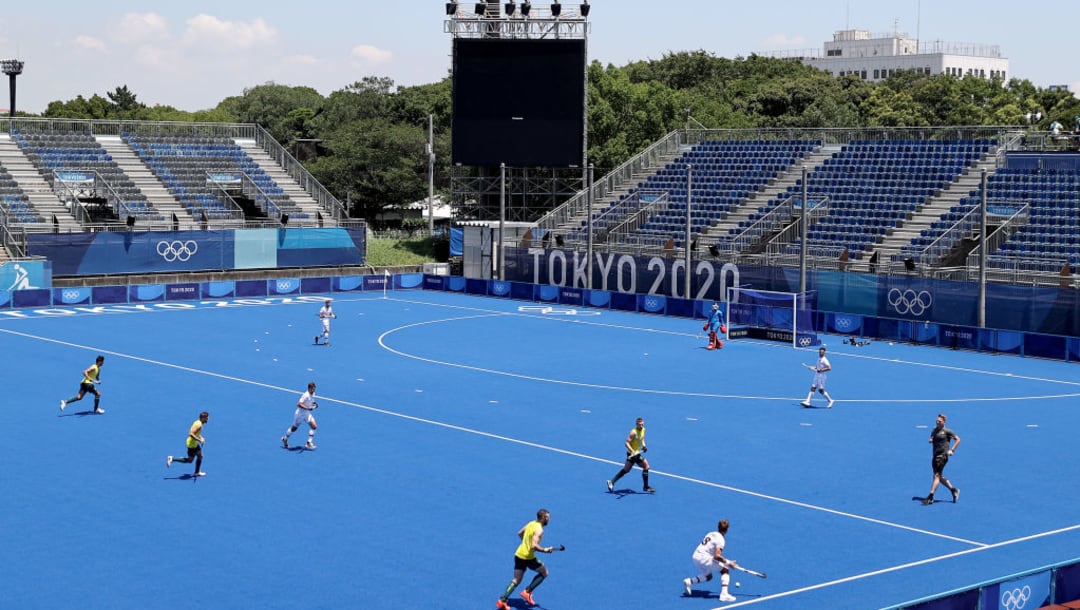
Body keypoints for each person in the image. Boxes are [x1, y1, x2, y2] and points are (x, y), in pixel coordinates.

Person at [496, 508, 556, 610]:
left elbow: (520, 533)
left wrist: (525, 544)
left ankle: (502, 600)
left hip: (519, 554)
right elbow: (533, 546)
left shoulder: (531, 523)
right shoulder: (539, 530)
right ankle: (527, 592)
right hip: (528, 557)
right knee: (544, 572)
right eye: (548, 518)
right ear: (544, 518)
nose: (549, 520)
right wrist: (545, 550)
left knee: (516, 580)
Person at [682, 518, 737, 602]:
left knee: (708, 576)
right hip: (705, 558)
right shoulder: (721, 540)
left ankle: (689, 581)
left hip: (695, 556)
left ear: (718, 527)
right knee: (725, 570)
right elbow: (717, 556)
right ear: (727, 530)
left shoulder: (711, 533)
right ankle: (724, 594)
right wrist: (729, 562)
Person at [606, 417, 655, 493]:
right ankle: (645, 487)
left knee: (626, 470)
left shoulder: (643, 430)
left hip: (636, 453)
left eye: (642, 424)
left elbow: (642, 439)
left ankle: (611, 482)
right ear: (636, 424)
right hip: (633, 454)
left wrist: (644, 446)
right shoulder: (633, 432)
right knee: (646, 466)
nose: (641, 426)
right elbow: (626, 443)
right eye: (640, 425)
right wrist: (632, 451)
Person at [923, 413, 960, 505]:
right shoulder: (934, 430)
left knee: (936, 476)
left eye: (939, 421)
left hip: (943, 456)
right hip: (935, 455)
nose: (937, 422)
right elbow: (931, 438)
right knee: (938, 476)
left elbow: (958, 439)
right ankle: (953, 490)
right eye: (937, 421)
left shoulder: (948, 431)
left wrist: (952, 450)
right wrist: (931, 440)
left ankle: (931, 496)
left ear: (944, 422)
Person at [167, 411, 209, 477]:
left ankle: (197, 472)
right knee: (190, 460)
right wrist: (200, 440)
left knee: (200, 456)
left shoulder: (197, 422)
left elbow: (195, 433)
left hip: (192, 443)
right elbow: (191, 433)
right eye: (207, 418)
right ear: (203, 418)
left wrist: (201, 437)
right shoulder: (199, 425)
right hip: (192, 444)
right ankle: (172, 459)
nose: (208, 419)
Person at [282, 381, 318, 450]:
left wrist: (314, 404)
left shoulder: (313, 393)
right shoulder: (305, 395)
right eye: (313, 388)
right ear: (309, 388)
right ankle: (285, 439)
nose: (314, 390)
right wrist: (307, 408)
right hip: (300, 415)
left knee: (314, 426)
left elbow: (312, 401)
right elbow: (299, 404)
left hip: (307, 414)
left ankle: (308, 443)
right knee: (294, 428)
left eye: (314, 388)